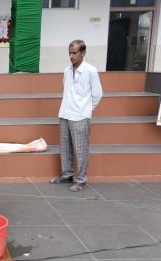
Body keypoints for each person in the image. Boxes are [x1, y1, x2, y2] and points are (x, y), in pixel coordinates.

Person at [50, 39, 103, 192]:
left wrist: (86, 109)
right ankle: (67, 174)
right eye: (70, 53)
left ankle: (80, 180)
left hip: (81, 116)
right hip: (65, 113)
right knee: (65, 147)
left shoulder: (91, 71)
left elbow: (98, 94)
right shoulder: (67, 70)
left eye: (75, 53)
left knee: (80, 149)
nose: (71, 56)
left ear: (83, 53)